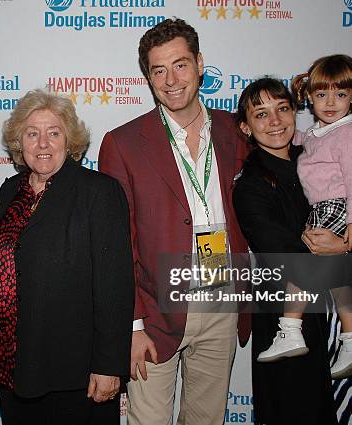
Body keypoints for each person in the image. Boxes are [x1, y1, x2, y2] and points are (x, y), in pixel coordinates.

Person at [98, 18, 251, 424]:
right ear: (147, 77)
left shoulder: (237, 132)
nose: (170, 80)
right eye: (158, 70)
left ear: (200, 63)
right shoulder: (123, 143)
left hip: (223, 296)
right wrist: (131, 326)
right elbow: (117, 244)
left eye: (180, 65)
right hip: (155, 311)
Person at [233, 77, 352, 425]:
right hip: (290, 322)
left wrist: (344, 243)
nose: (275, 121)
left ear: (296, 112)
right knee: (300, 411)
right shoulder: (249, 186)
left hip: (342, 321)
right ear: (246, 128)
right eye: (261, 115)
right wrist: (343, 254)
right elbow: (284, 254)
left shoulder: (320, 156)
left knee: (347, 413)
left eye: (282, 108)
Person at [0, 89, 134, 425]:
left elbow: (115, 286)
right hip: (15, 368)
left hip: (75, 375)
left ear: (70, 142)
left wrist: (109, 366)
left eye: (54, 133)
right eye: (32, 133)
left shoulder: (98, 192)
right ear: (18, 142)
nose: (43, 143)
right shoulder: (10, 191)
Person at [258, 55, 352, 379]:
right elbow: (299, 143)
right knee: (339, 281)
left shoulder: (349, 135)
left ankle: (290, 330)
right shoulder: (317, 133)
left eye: (340, 95)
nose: (330, 102)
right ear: (309, 96)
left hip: (336, 208)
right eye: (321, 94)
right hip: (323, 209)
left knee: (302, 270)